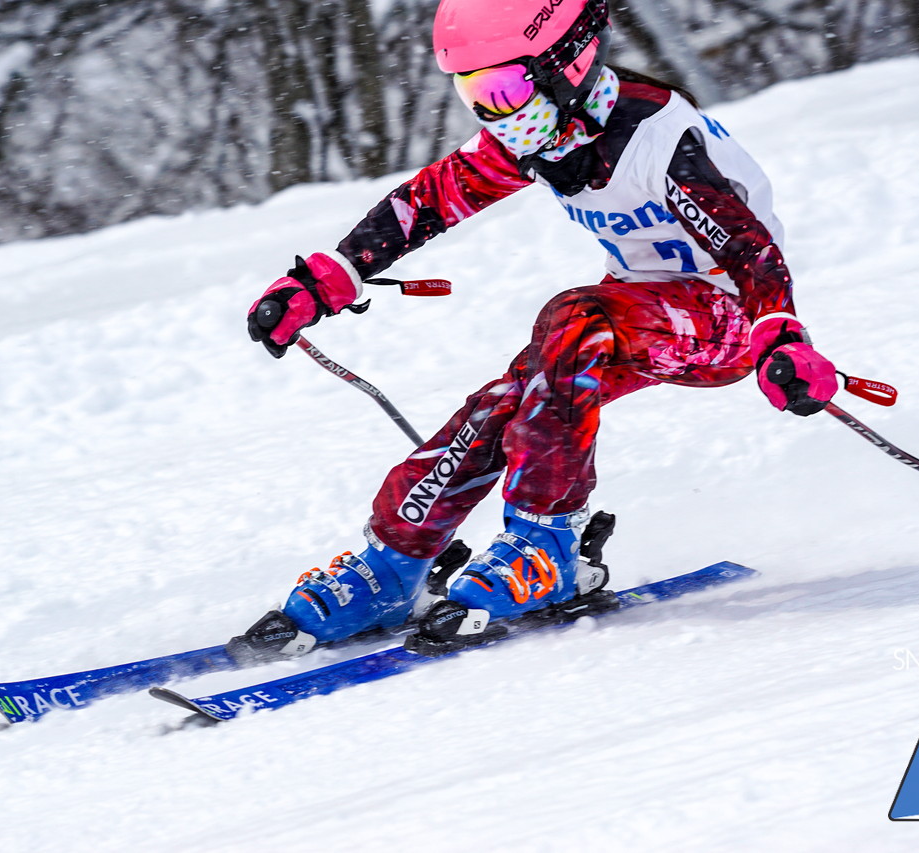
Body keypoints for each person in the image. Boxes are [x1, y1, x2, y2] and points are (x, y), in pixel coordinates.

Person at [228, 0, 837, 661]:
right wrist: (329, 277)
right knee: (510, 399)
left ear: (566, 63)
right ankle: (394, 564)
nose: (496, 114)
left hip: (727, 318)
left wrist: (782, 337)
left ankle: (543, 545)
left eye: (505, 89)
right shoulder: (546, 133)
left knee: (572, 319)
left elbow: (752, 253)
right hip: (635, 310)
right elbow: (429, 201)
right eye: (475, 94)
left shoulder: (654, 137)